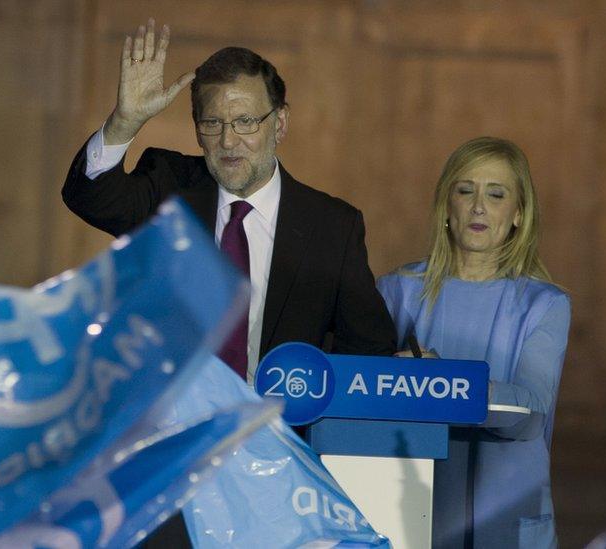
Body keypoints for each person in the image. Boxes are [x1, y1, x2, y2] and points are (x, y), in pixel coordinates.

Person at [62, 19, 396, 383]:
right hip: (175, 424)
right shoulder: (169, 187)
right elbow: (90, 197)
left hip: (277, 427)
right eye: (213, 123)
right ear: (196, 128)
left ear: (280, 123)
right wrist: (124, 122)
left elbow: (368, 351)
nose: (228, 140)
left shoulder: (333, 226)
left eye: (245, 121)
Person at [377, 137, 571, 548]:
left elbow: (531, 410)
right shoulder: (398, 291)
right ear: (447, 206)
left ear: (519, 213)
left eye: (496, 194)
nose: (479, 206)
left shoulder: (546, 304)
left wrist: (444, 381)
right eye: (465, 191)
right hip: (412, 508)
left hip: (507, 521)